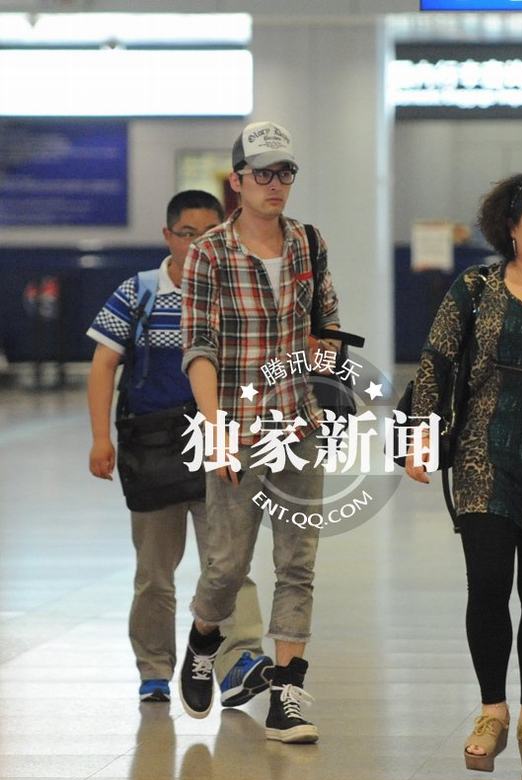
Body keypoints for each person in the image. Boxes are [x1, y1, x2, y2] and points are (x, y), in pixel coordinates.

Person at [179, 122, 341, 743]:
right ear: (238, 180)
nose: (276, 184)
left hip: (298, 423)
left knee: (298, 563)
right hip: (237, 428)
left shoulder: (308, 243)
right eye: (264, 173)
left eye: (286, 173)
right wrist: (216, 428)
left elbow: (328, 323)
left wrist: (325, 352)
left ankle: (287, 696)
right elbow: (199, 346)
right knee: (227, 566)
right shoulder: (210, 253)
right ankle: (203, 640)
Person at [87, 190, 273, 706]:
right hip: (153, 452)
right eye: (187, 234)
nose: (197, 245)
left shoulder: (237, 290)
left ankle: (238, 663)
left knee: (230, 563)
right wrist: (100, 438)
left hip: (222, 446)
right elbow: (103, 365)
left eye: (209, 234)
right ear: (168, 236)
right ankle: (154, 669)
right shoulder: (138, 292)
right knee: (154, 573)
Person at [406, 174, 522, 774]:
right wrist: (420, 437)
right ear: (511, 227)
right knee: (487, 583)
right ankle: (492, 711)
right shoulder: (476, 287)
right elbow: (436, 361)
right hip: (485, 452)